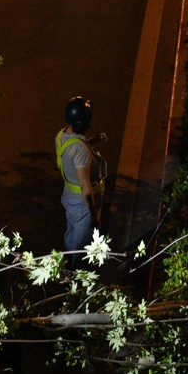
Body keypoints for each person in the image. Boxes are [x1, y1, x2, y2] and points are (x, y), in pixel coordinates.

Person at [55, 96, 107, 268]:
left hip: (69, 195)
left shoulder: (61, 136)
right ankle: (73, 271)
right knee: (81, 239)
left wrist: (94, 139)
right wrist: (93, 215)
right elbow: (85, 186)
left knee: (72, 231)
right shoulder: (80, 150)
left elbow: (74, 147)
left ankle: (68, 259)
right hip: (81, 203)